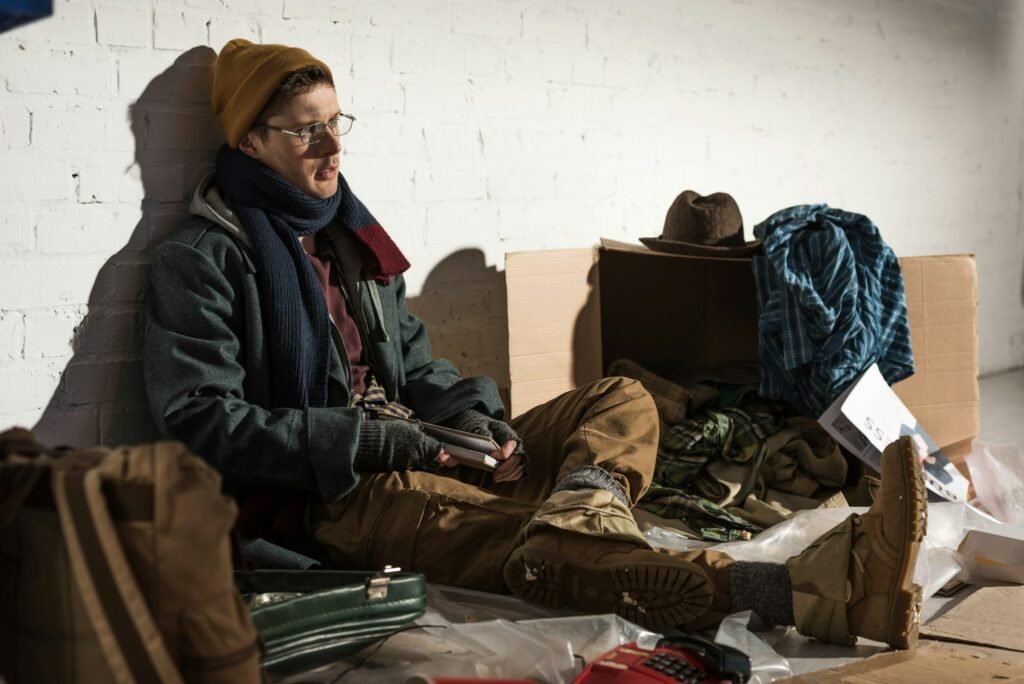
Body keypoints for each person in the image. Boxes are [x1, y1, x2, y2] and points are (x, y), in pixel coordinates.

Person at [143, 39, 928, 649]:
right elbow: (202, 421)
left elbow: (416, 363)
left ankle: (584, 504)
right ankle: (823, 590)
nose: (332, 148)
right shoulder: (204, 260)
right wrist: (380, 442)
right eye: (306, 131)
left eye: (335, 123)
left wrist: (478, 420)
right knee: (540, 551)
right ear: (249, 141)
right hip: (341, 494)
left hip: (427, 446)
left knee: (623, 395)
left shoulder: (350, 236)